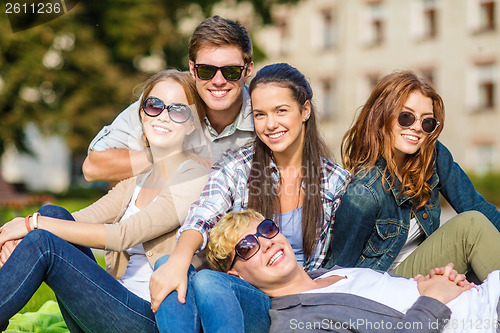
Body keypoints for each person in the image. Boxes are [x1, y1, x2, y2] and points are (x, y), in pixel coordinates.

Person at [0, 70, 209, 332]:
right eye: (154, 105)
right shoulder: (140, 176)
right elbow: (76, 222)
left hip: (147, 318)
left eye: (178, 110)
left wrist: (32, 224)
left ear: (192, 123)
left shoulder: (194, 177)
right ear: (142, 113)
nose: (163, 116)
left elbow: (123, 235)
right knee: (53, 213)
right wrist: (21, 240)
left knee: (44, 240)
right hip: (110, 303)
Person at [149, 63, 350, 332]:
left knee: (206, 280)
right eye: (259, 114)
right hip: (244, 296)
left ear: (305, 111)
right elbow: (203, 215)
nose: (270, 124)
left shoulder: (335, 181)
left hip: (301, 307)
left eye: (281, 111)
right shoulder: (236, 167)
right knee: (171, 264)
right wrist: (178, 259)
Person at [327, 70, 500, 281]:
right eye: (406, 117)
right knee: (470, 227)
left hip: (425, 273)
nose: (417, 127)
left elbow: (477, 206)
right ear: (382, 118)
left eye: (427, 122)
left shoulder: (432, 156)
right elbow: (338, 272)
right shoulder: (364, 193)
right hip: (385, 285)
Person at [207, 209, 500, 333]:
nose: (267, 243)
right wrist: (433, 301)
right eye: (247, 247)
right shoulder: (295, 323)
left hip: (482, 296)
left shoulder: (327, 273)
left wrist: (429, 283)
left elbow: (391, 296)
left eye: (266, 230)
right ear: (237, 275)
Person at [82, 15, 255, 182]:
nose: (218, 81)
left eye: (231, 71)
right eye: (206, 71)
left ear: (247, 71)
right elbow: (93, 167)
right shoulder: (164, 101)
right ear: (193, 69)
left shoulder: (265, 113)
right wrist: (177, 158)